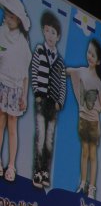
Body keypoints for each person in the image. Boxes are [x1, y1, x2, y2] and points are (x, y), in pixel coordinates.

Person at [67, 38, 101, 198]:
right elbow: (70, 71)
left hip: (93, 122)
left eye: (93, 55)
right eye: (89, 52)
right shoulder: (82, 71)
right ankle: (83, 183)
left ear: (98, 61)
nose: (90, 56)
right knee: (84, 152)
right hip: (82, 119)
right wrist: (59, 70)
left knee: (92, 154)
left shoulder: (97, 81)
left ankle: (92, 187)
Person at [31, 10, 65, 189]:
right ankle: (37, 170)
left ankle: (45, 171)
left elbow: (63, 83)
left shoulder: (59, 61)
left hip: (53, 104)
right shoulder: (39, 50)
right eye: (47, 31)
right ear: (43, 31)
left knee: (49, 140)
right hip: (41, 100)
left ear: (58, 36)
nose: (50, 35)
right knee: (41, 136)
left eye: (53, 32)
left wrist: (60, 101)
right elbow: (35, 70)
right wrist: (37, 92)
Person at [0, 0, 31, 183]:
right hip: (1, 83)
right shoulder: (0, 33)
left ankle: (11, 165)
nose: (6, 18)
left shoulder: (22, 43)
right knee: (0, 122)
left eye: (11, 16)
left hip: (15, 87)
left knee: (12, 126)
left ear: (18, 20)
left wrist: (24, 96)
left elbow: (25, 73)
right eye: (6, 14)